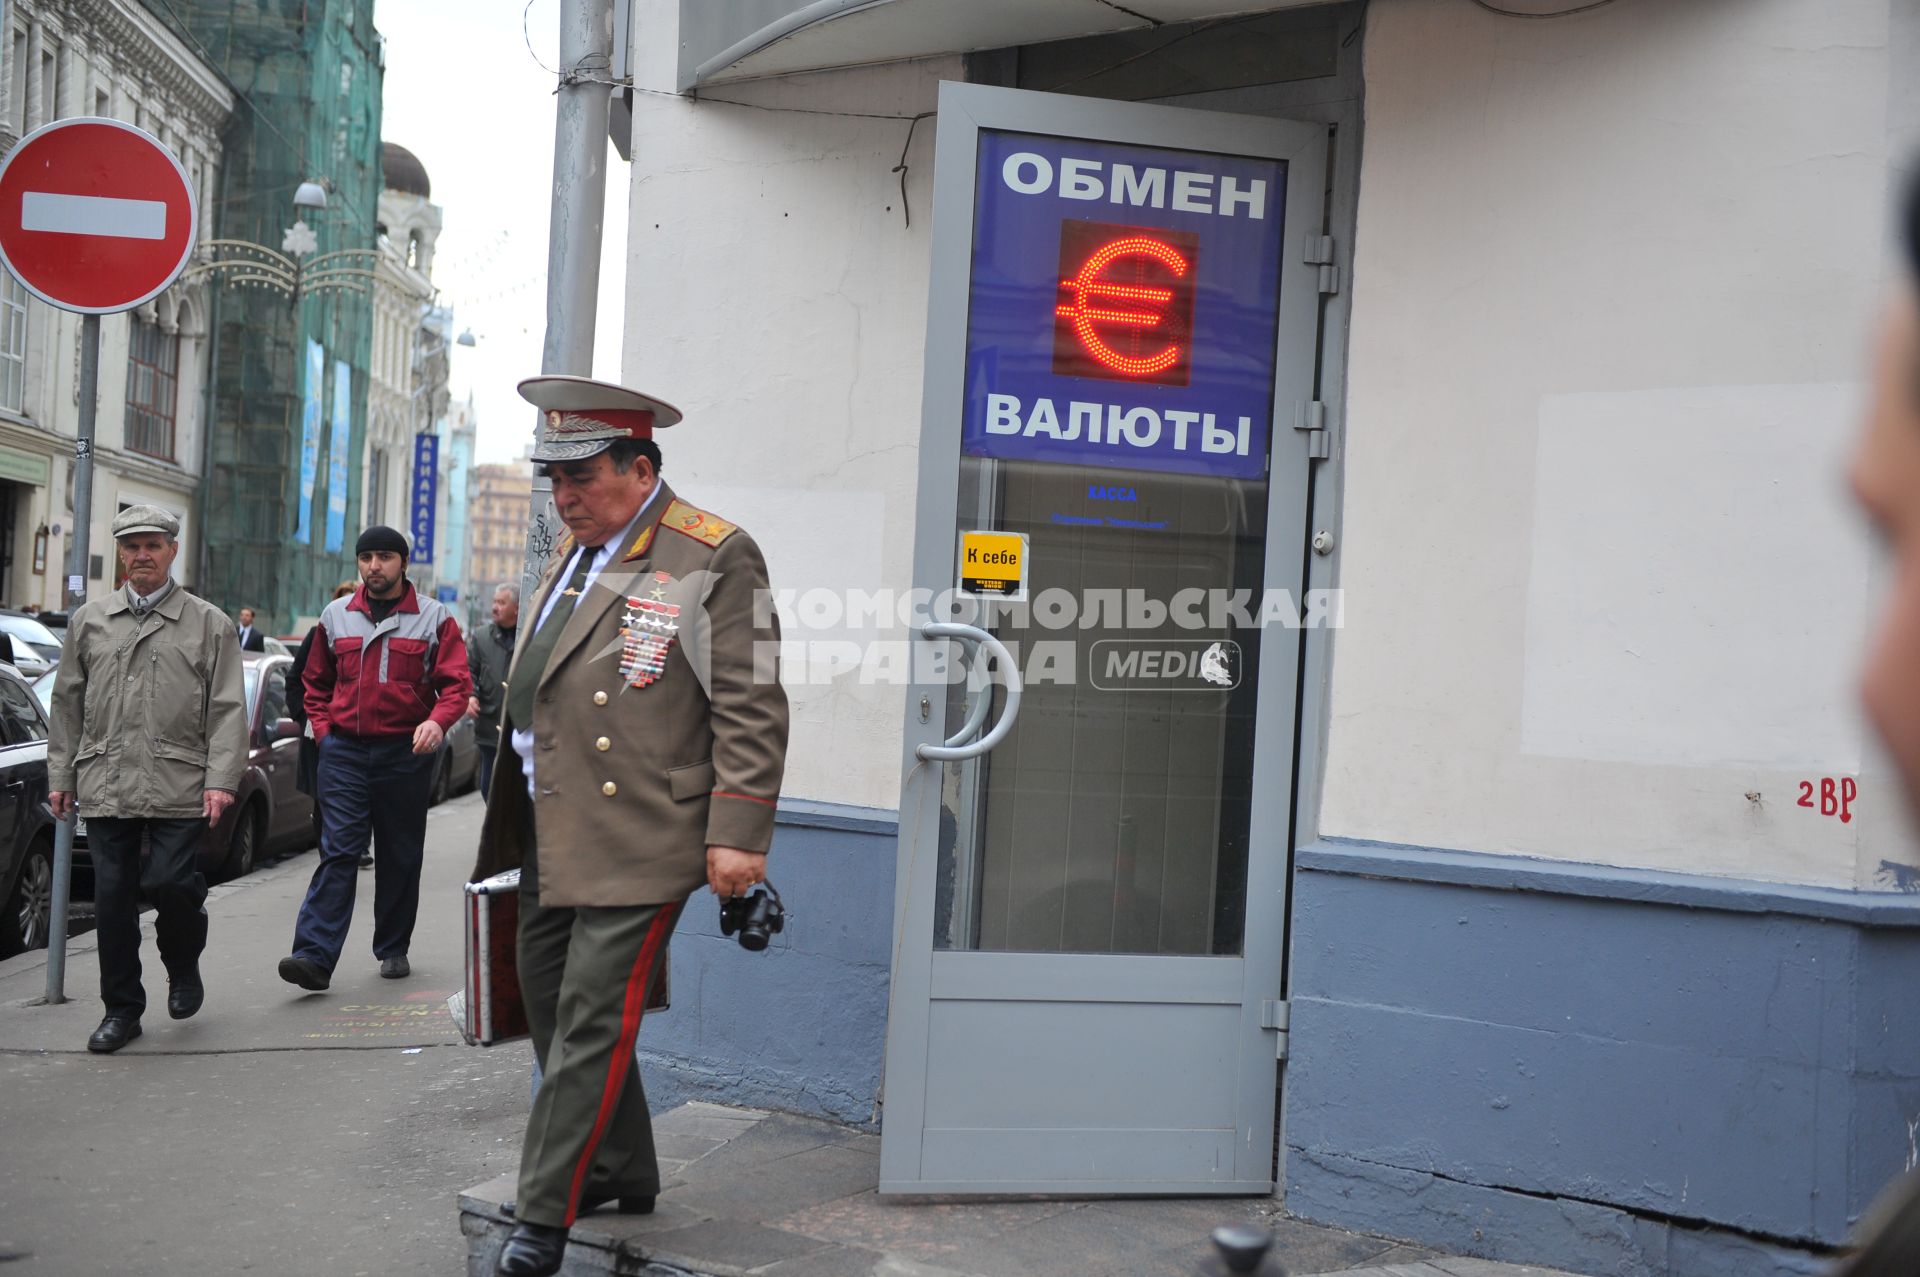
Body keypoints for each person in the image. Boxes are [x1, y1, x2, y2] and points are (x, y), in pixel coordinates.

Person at [470, 376, 788, 1277]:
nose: (564, 496)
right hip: (547, 823)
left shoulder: (713, 554)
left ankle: (543, 1215)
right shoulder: (570, 554)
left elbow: (754, 701)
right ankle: (618, 1165)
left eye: (583, 476)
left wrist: (740, 835)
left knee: (589, 1022)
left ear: (640, 468)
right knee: (547, 1000)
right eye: (554, 478)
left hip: (645, 829)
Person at [46, 505, 248, 1053]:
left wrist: (221, 779)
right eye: (132, 545)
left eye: (153, 545)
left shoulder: (209, 624)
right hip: (105, 776)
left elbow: (229, 708)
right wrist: (61, 772)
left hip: (179, 777)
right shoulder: (90, 620)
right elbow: (66, 703)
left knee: (169, 884)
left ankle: (183, 964)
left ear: (172, 550)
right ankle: (122, 1010)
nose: (142, 555)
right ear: (120, 552)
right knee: (111, 899)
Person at [278, 527, 471, 991]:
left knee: (399, 852)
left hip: (406, 753)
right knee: (339, 851)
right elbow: (314, 683)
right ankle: (313, 956)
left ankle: (392, 946)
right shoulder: (335, 616)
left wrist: (437, 722)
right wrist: (324, 735)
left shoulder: (433, 618)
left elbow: (457, 686)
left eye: (384, 556)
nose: (373, 566)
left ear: (402, 563)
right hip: (343, 752)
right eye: (366, 557)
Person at [289, 583, 358, 861]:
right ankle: (329, 857)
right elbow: (296, 680)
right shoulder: (317, 634)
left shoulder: (365, 637)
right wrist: (304, 716)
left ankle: (346, 852)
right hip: (319, 732)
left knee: (350, 800)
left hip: (354, 732)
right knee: (323, 800)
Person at [466, 582, 520, 799]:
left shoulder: (529, 634)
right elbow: (469, 671)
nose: (495, 607)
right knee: (489, 787)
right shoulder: (481, 637)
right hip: (489, 724)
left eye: (502, 602)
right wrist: (470, 695)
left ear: (517, 607)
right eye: (494, 602)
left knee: (515, 790)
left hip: (518, 726)